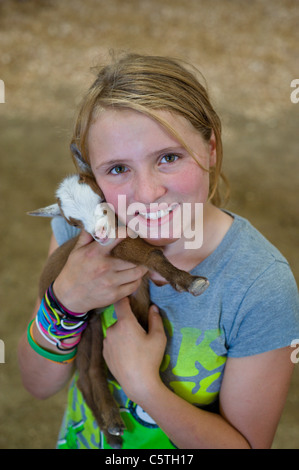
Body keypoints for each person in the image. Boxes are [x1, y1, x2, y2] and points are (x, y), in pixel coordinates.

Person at [18, 53, 299, 449]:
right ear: (90, 174)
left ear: (211, 148)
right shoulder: (78, 229)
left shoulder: (260, 285)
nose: (147, 193)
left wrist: (144, 386)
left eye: (169, 158)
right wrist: (64, 301)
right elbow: (37, 383)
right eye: (117, 168)